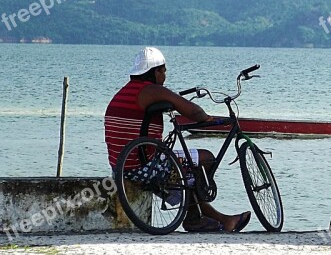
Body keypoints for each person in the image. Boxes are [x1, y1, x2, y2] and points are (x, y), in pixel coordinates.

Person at [104, 47, 251, 232]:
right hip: (143, 167)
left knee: (186, 168)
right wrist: (206, 118)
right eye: (163, 71)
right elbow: (194, 112)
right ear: (155, 71)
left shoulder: (125, 93)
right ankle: (193, 218)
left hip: (121, 167)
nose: (164, 76)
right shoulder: (151, 90)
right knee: (206, 158)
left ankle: (220, 219)